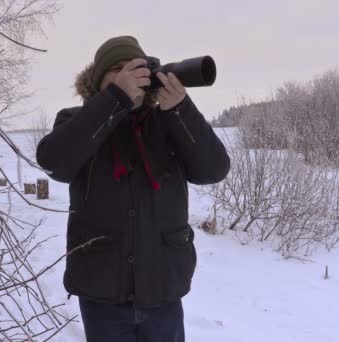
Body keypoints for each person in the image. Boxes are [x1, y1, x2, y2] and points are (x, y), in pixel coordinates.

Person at [36, 36, 230, 342]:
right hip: (101, 290)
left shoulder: (168, 121)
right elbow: (54, 163)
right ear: (99, 81)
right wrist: (115, 100)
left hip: (162, 286)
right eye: (117, 70)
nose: (130, 76)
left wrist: (181, 109)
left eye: (135, 68)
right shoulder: (76, 120)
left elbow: (214, 170)